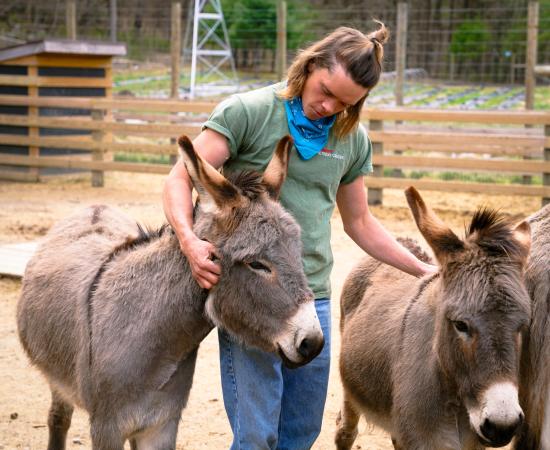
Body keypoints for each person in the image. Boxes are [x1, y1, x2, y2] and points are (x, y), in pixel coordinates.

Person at [163, 22, 436, 450]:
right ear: (309, 66)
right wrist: (188, 241)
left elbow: (360, 222)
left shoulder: (352, 139)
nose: (328, 106)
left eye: (345, 103)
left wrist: (425, 270)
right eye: (325, 90)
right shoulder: (247, 111)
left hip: (313, 295)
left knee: (300, 433)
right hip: (252, 292)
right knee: (257, 435)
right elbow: (180, 178)